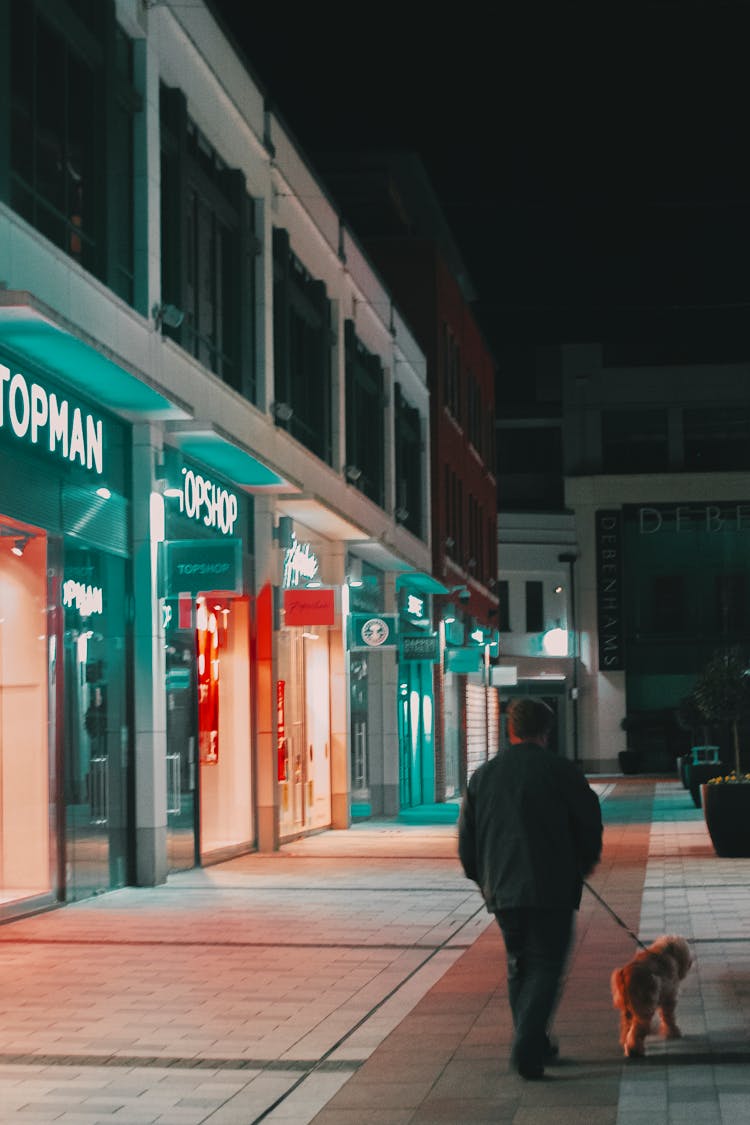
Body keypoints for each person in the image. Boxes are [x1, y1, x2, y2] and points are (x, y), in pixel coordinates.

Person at [458, 697, 603, 1080]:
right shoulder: (561, 772)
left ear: (511, 729)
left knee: (519, 964)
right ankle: (527, 1045)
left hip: (503, 888)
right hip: (552, 886)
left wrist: (483, 879)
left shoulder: (484, 775)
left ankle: (535, 1039)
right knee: (545, 965)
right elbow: (589, 824)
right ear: (546, 731)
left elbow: (467, 838)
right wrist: (582, 865)